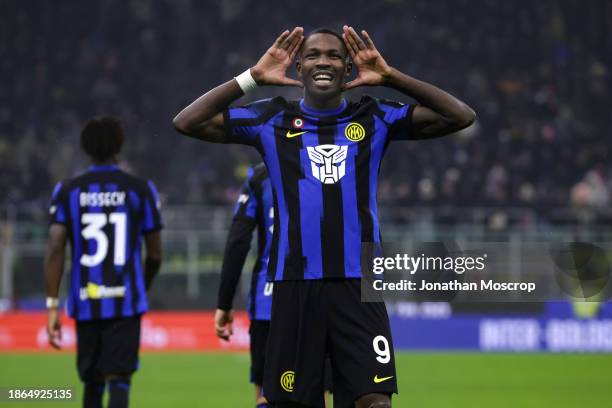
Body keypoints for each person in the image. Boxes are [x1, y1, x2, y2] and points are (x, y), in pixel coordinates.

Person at [174, 25, 475, 408]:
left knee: (376, 402)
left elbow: (460, 116)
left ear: (348, 68)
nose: (323, 62)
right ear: (298, 67)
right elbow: (187, 122)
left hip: (359, 287)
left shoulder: (374, 118)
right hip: (295, 286)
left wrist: (390, 76)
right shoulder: (270, 119)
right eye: (313, 55)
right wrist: (252, 78)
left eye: (334, 55)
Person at [44, 116, 163, 408]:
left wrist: (52, 304)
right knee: (119, 380)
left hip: (87, 301)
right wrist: (141, 286)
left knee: (92, 382)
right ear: (119, 146)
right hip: (125, 302)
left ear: (85, 148)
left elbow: (55, 247)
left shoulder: (67, 191)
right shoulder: (140, 189)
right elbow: (155, 254)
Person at [215, 163, 334, 408]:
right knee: (317, 391)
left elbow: (238, 240)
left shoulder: (261, 176)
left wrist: (224, 303)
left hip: (267, 302)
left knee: (266, 394)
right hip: (318, 300)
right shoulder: (332, 167)